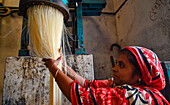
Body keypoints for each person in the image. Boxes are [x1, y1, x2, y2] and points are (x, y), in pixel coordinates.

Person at [42, 46, 170, 105]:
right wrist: (63, 66)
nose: (114, 68)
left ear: (139, 76)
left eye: (121, 65)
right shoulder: (121, 84)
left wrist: (53, 68)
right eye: (116, 63)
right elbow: (87, 85)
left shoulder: (135, 95)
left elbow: (82, 98)